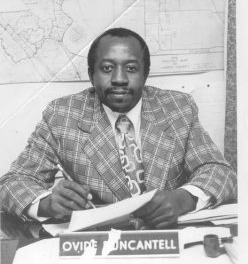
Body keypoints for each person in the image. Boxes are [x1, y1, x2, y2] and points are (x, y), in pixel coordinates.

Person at [0, 28, 237, 229]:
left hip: (168, 242)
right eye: (107, 68)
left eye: (132, 68)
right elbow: (13, 182)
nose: (120, 79)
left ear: (146, 75)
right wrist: (46, 203)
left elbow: (220, 171)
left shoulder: (178, 108)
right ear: (92, 76)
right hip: (98, 247)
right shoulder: (63, 115)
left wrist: (182, 199)